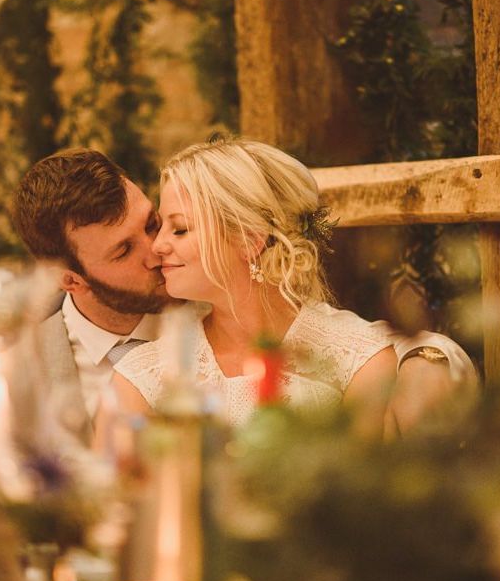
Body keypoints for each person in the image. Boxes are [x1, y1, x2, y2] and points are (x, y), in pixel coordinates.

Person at [113, 138, 477, 435]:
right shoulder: (143, 375)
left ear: (249, 240)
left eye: (180, 229)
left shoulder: (359, 360)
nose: (158, 246)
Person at [10, 148, 170, 449]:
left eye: (151, 224)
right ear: (71, 280)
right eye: (123, 251)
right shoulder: (21, 370)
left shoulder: (215, 313)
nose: (156, 252)